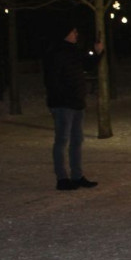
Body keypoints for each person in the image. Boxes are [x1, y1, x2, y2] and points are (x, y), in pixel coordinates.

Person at [44, 17, 104, 191]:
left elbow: (86, 66)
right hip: (63, 104)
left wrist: (98, 53)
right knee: (62, 140)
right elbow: (52, 80)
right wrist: (62, 97)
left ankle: (77, 176)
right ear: (66, 33)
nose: (76, 34)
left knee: (77, 140)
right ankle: (62, 178)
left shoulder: (73, 50)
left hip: (76, 103)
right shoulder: (55, 53)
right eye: (73, 31)